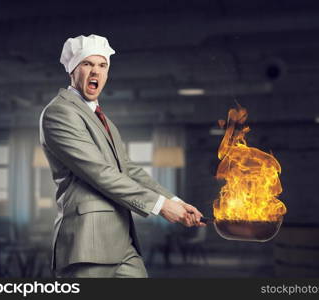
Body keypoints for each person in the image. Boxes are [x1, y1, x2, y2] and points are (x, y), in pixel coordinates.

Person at [39, 34, 205, 278]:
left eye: (102, 65)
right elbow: (100, 173)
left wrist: (176, 202)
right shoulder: (60, 112)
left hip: (121, 241)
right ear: (72, 70)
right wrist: (161, 206)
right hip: (88, 243)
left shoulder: (102, 119)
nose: (95, 71)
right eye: (87, 64)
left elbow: (128, 169)